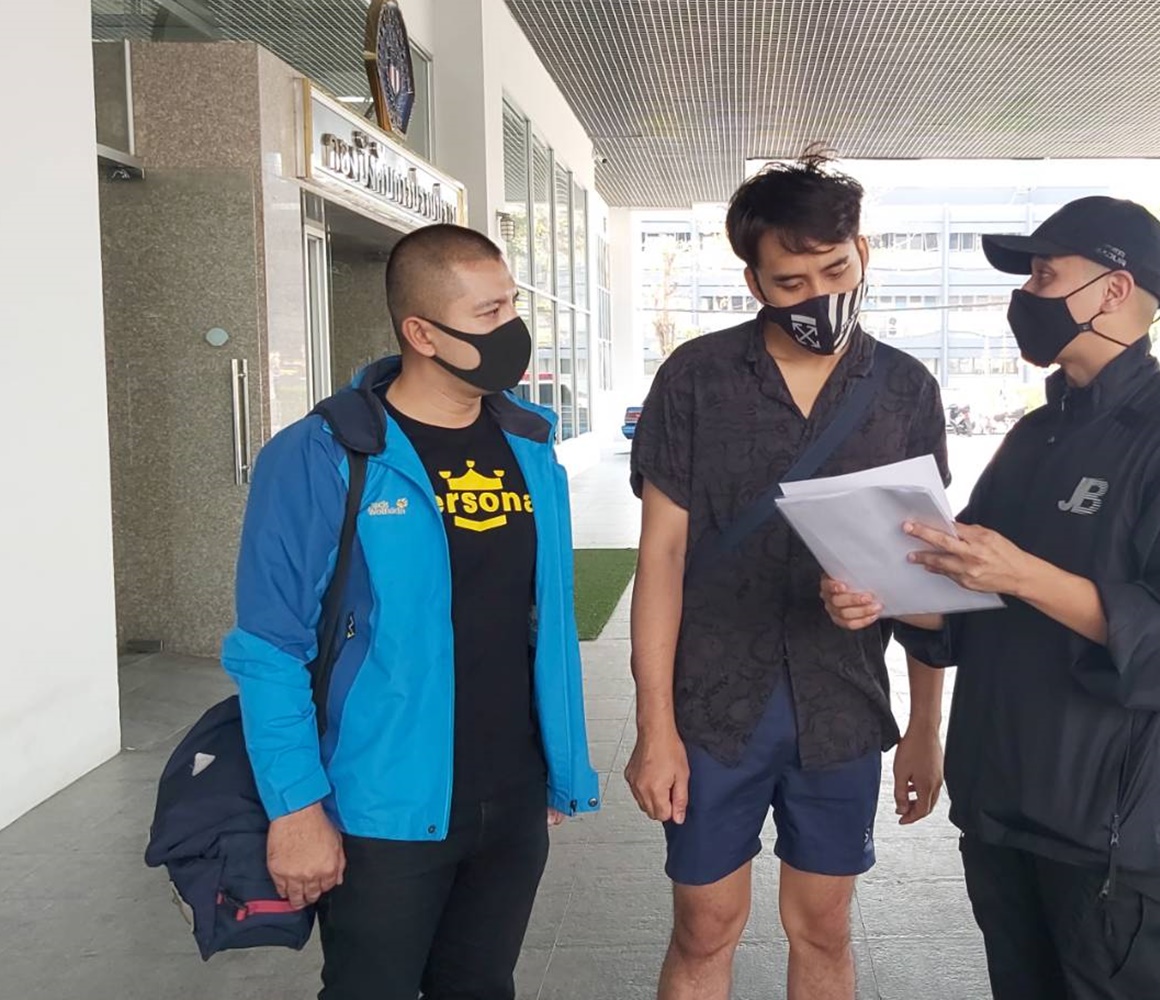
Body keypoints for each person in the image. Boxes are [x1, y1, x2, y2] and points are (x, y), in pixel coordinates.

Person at [821, 197, 1160, 999]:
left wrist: (1020, 574)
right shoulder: (1036, 436)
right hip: (1002, 809)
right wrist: (884, 595)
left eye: (1044, 275)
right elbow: (968, 603)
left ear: (1115, 290)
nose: (1025, 296)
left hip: (1110, 836)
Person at [222, 223, 599, 1000]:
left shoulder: (529, 444)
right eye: (488, 313)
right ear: (421, 333)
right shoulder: (324, 454)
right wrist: (296, 809)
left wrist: (557, 767)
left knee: (481, 985)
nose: (512, 328)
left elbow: (540, 622)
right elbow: (269, 646)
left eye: (512, 305)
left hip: (511, 794)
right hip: (380, 803)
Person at [624, 151, 950, 1000]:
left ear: (863, 253)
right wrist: (654, 727)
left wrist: (925, 726)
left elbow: (926, 565)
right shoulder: (695, 378)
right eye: (790, 282)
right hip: (712, 704)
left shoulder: (905, 389)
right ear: (754, 282)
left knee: (825, 928)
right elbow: (661, 557)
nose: (818, 296)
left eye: (835, 271)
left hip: (842, 703)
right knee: (704, 928)